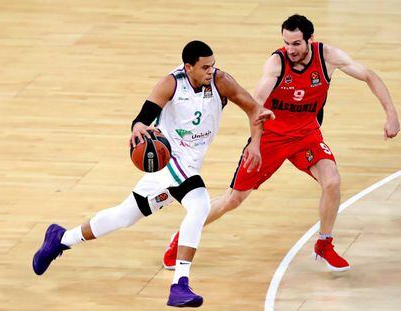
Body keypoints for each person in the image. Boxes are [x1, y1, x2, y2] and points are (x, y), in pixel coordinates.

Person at [32, 40, 274, 308]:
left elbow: (254, 109)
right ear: (188, 67)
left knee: (124, 216)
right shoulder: (170, 84)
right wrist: (137, 127)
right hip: (168, 157)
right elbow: (144, 116)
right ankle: (180, 284)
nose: (211, 71)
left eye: (213, 65)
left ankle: (62, 238)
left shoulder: (221, 82)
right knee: (199, 203)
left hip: (189, 164)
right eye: (205, 67)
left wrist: (255, 143)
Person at [163, 15, 400, 272]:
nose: (291, 49)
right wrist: (254, 143)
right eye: (287, 43)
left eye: (297, 43)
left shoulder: (328, 57)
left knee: (332, 181)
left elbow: (369, 75)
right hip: (271, 137)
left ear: (311, 39)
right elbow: (255, 105)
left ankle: (324, 244)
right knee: (233, 199)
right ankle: (181, 238)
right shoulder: (277, 64)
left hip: (306, 134)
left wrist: (391, 114)